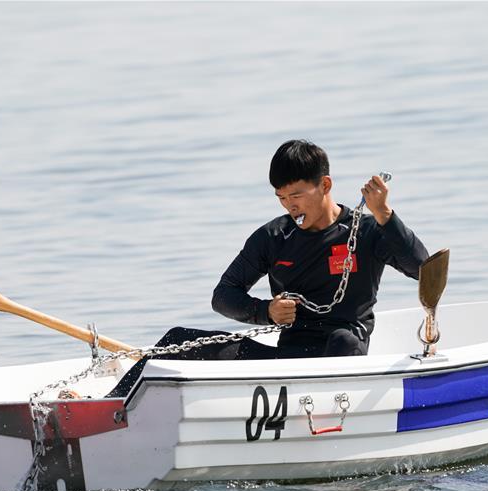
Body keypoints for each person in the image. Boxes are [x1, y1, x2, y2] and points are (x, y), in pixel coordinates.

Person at [106, 139, 429, 398]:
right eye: (281, 197)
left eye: (296, 195)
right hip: (285, 362)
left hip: (344, 355)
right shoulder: (274, 237)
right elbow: (223, 295)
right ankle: (109, 406)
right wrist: (266, 312)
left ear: (325, 185)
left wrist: (385, 215)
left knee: (343, 339)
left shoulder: (367, 231)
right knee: (179, 339)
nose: (290, 205)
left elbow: (422, 271)